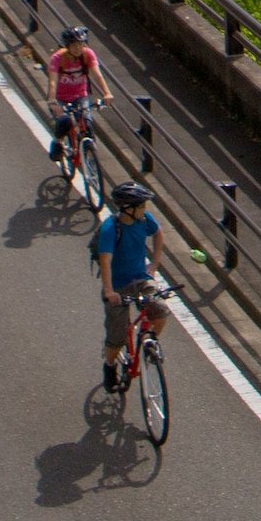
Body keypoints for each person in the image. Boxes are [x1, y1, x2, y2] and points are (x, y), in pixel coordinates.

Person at [97, 182, 169, 391]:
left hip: (140, 279)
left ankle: (148, 346)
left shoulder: (144, 220)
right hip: (118, 286)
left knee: (161, 311)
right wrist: (109, 291)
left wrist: (153, 266)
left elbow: (158, 233)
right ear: (128, 208)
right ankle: (109, 365)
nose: (145, 210)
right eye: (141, 206)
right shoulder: (110, 229)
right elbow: (105, 262)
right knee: (116, 338)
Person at [46, 26, 112, 160]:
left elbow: (97, 75)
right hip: (61, 97)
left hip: (80, 95)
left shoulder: (87, 54)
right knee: (64, 121)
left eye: (80, 44)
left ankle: (89, 150)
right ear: (67, 46)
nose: (78, 48)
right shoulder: (57, 58)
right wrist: (53, 101)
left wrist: (107, 93)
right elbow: (52, 82)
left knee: (87, 121)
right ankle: (57, 142)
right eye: (74, 45)